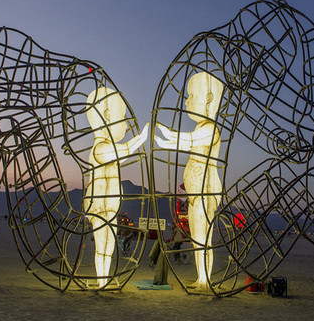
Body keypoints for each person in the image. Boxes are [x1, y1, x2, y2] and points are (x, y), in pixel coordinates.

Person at [154, 71, 224, 287]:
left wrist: (169, 134)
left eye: (192, 96)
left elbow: (190, 140)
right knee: (196, 239)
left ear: (209, 98)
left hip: (206, 189)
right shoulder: (200, 128)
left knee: (203, 238)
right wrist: (166, 142)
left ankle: (205, 280)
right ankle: (201, 277)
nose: (186, 102)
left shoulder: (211, 129)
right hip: (195, 192)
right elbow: (186, 143)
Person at [83, 86, 149, 286]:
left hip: (110, 206)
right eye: (121, 117)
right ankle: (101, 279)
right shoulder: (100, 148)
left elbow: (120, 156)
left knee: (109, 244)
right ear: (106, 116)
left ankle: (104, 277)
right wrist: (140, 139)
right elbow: (123, 151)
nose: (125, 124)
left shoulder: (106, 149)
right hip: (100, 206)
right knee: (102, 244)